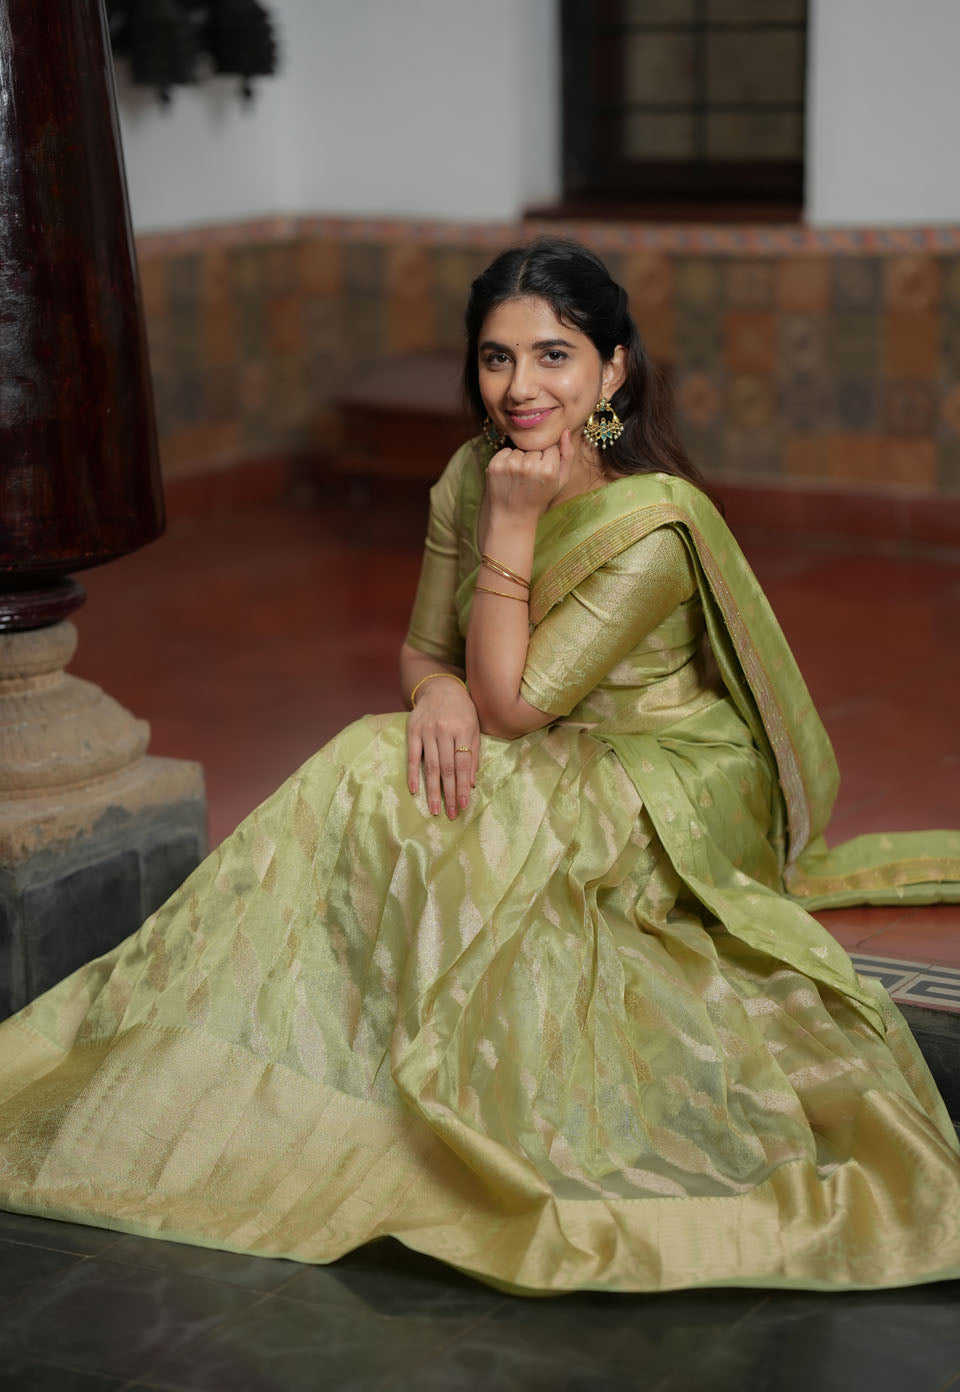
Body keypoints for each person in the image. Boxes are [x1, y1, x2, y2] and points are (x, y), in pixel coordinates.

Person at [1, 237, 959, 1294]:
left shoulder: (647, 524)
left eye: (555, 355)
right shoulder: (472, 469)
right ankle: (275, 1057)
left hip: (663, 769)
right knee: (377, 766)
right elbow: (428, 651)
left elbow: (512, 706)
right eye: (498, 358)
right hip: (532, 731)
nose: (521, 387)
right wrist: (435, 692)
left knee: (415, 790)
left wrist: (509, 531)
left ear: (613, 369)